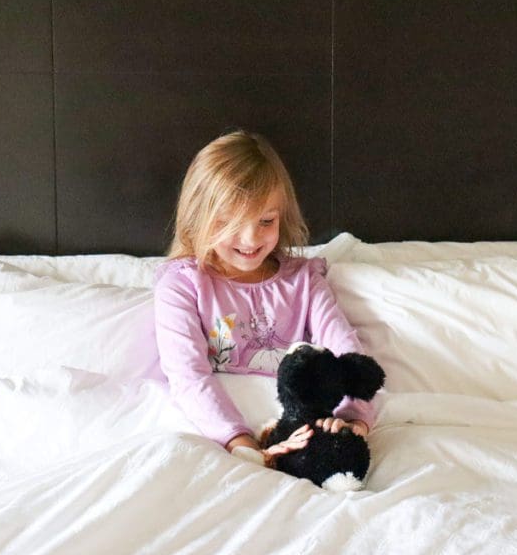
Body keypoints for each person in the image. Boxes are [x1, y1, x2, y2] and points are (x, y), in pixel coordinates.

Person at [154, 130, 375, 465]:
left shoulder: (304, 282)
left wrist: (352, 418)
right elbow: (187, 375)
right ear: (199, 215)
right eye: (229, 223)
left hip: (295, 432)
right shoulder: (183, 285)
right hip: (223, 437)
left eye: (266, 221)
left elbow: (347, 353)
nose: (250, 238)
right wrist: (241, 443)